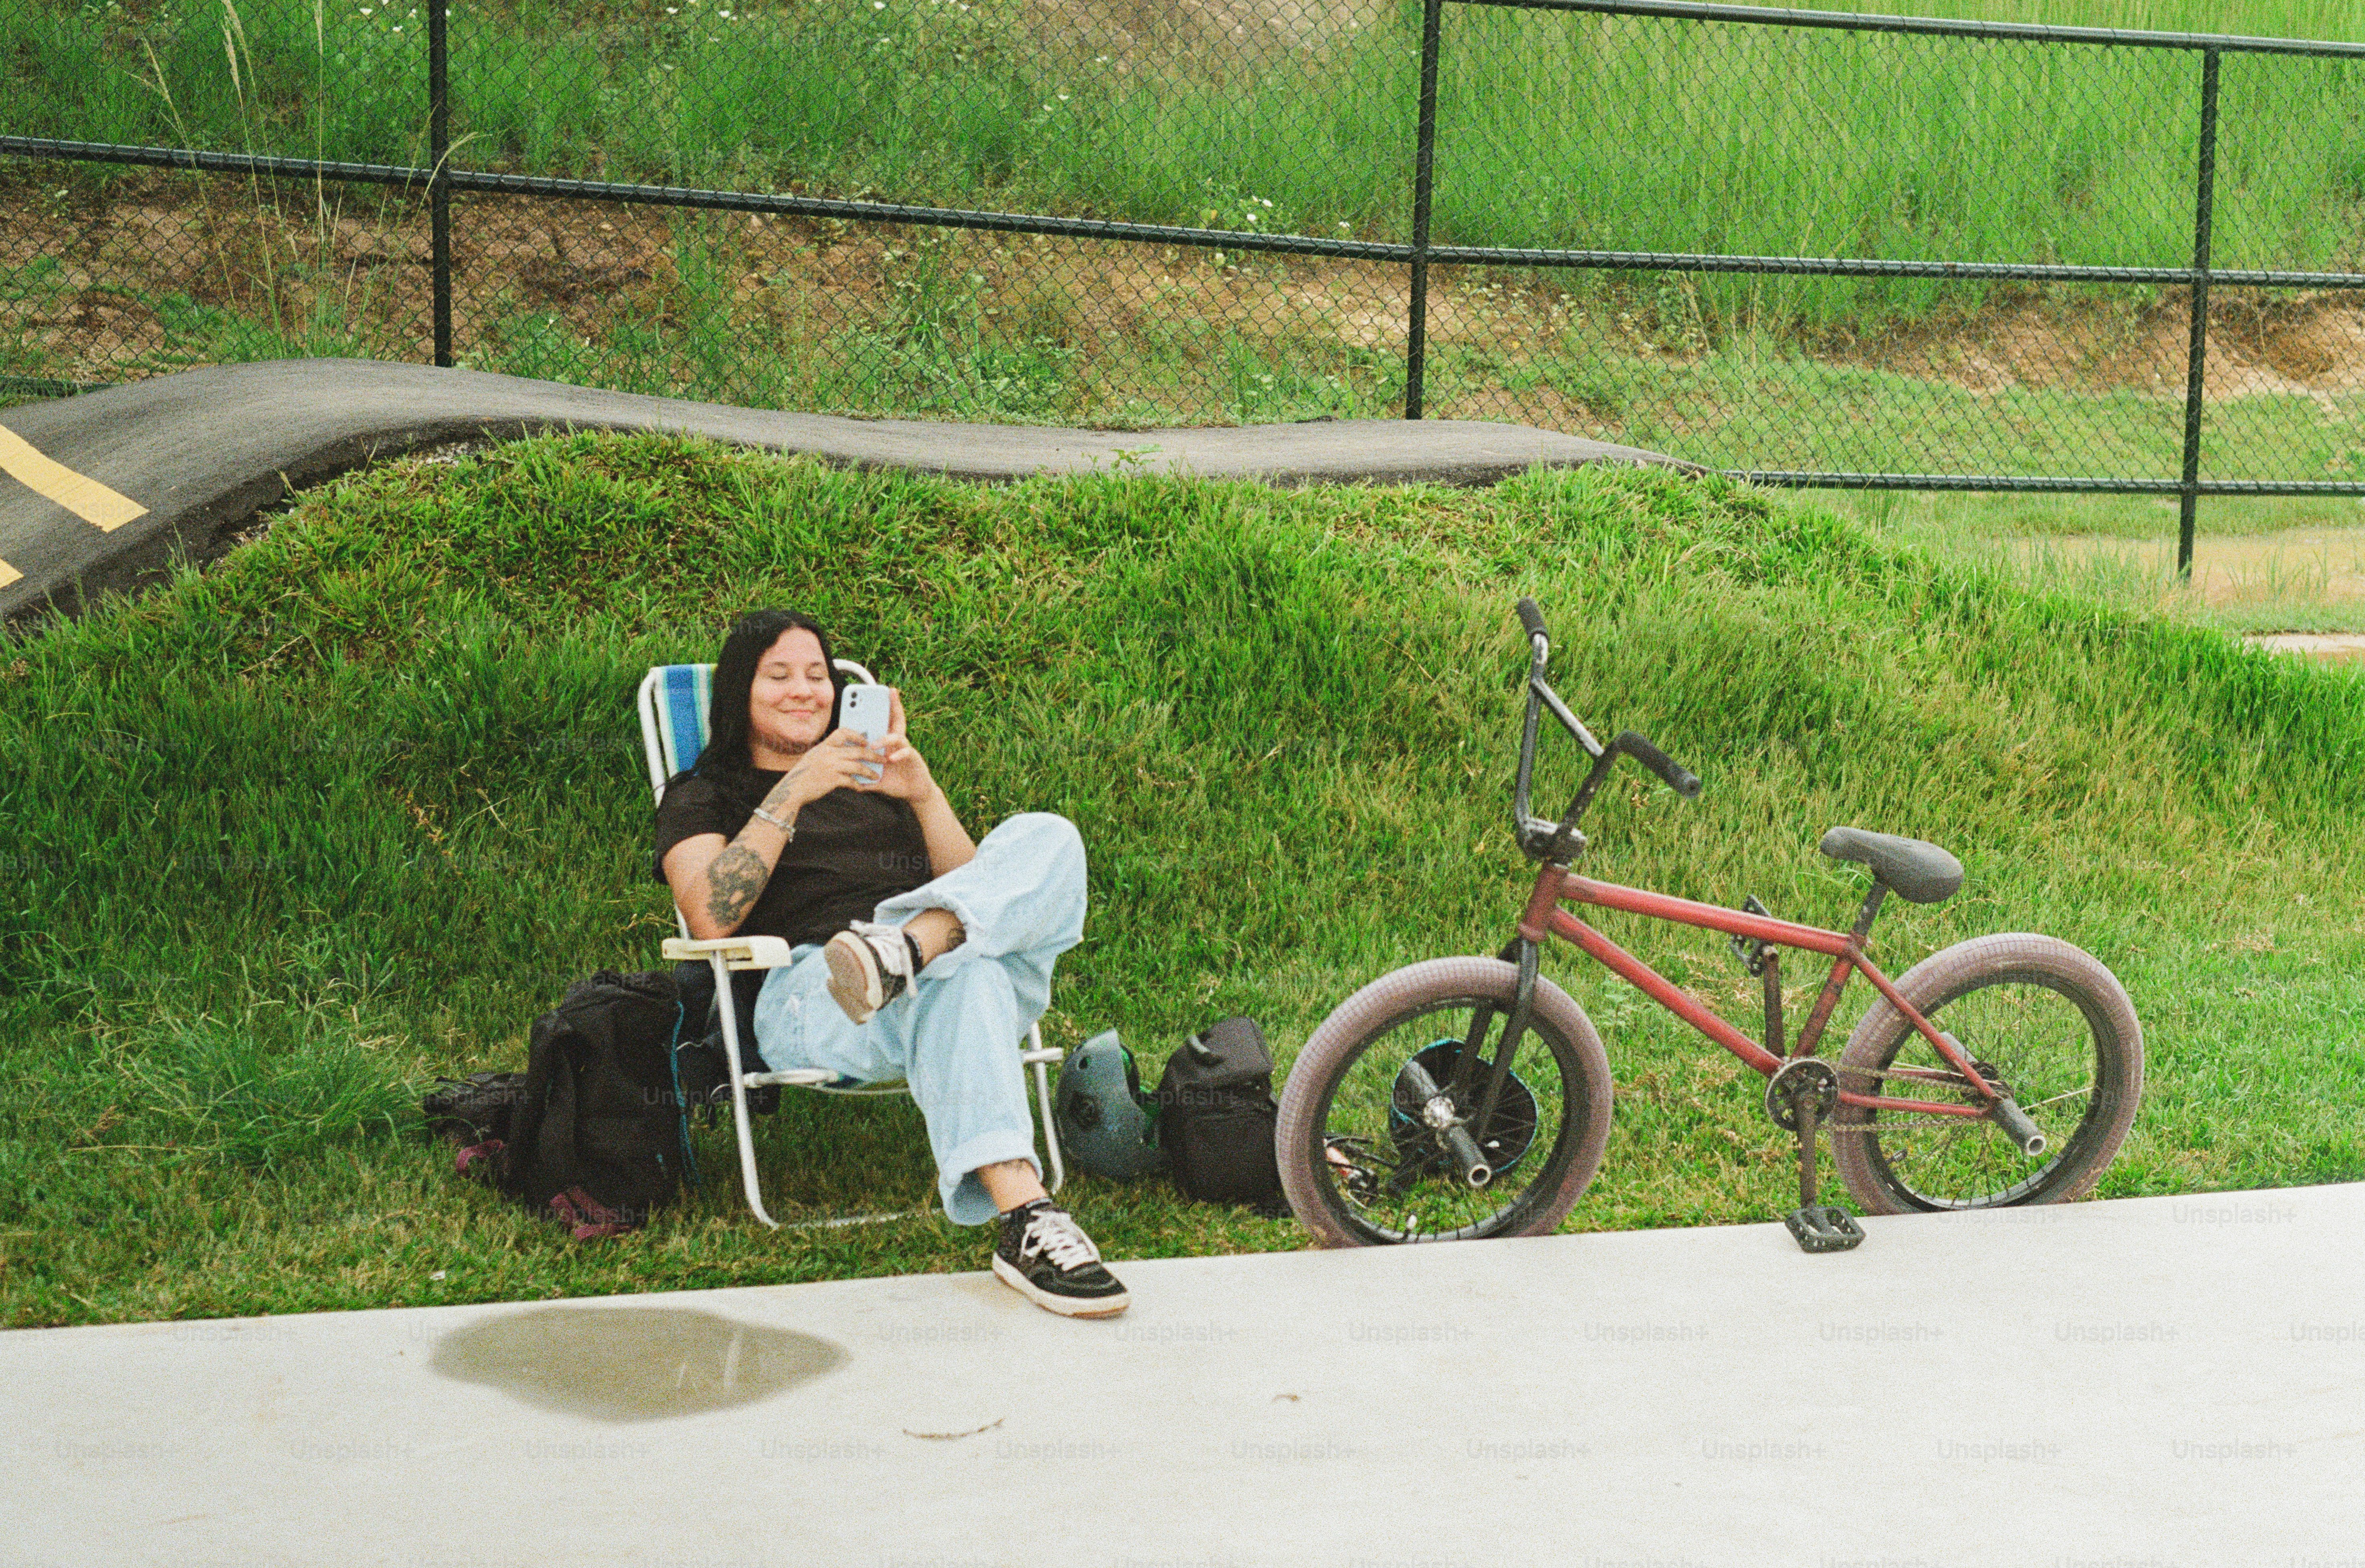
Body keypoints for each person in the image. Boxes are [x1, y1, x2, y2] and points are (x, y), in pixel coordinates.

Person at [653, 609, 1129, 1318]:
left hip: (916, 966)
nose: (805, 690)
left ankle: (902, 951)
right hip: (809, 989)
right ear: (738, 694)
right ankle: (1026, 1215)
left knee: (1046, 837)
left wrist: (923, 793)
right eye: (777, 675)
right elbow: (708, 916)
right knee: (964, 971)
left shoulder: (877, 783)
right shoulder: (704, 792)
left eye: (819, 674)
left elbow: (978, 897)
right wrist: (794, 789)